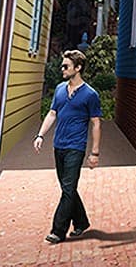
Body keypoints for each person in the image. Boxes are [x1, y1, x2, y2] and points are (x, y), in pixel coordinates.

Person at [34, 49, 102, 243]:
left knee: (68, 188)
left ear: (78, 68)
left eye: (66, 66)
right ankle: (81, 222)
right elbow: (52, 114)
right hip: (59, 145)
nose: (62, 69)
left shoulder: (90, 94)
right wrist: (40, 135)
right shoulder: (59, 89)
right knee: (68, 188)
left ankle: (58, 230)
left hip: (76, 146)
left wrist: (94, 153)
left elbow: (96, 123)